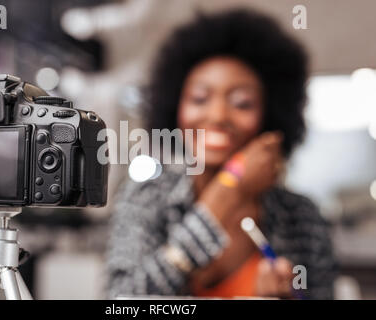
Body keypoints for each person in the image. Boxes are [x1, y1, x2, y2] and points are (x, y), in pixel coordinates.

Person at [106, 9, 336, 299]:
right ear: (175, 107)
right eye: (199, 99)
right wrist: (230, 188)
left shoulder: (301, 217)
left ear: (271, 116)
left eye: (242, 103)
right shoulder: (145, 198)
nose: (217, 115)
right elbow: (122, 302)